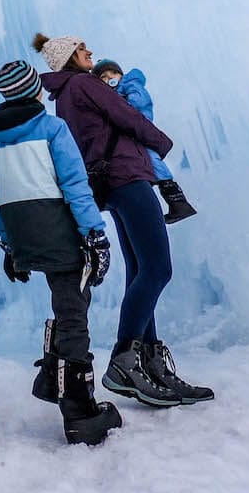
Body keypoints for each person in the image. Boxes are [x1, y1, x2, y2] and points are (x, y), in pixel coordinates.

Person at [33, 36, 214, 407]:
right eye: (83, 49)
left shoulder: (65, 94)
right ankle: (125, 359)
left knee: (139, 269)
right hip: (126, 177)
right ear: (69, 57)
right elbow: (126, 115)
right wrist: (161, 142)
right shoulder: (85, 83)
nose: (90, 53)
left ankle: (148, 364)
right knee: (158, 268)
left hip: (108, 182)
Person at [0, 61, 123, 445]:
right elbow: (75, 184)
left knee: (67, 304)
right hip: (62, 236)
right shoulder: (52, 129)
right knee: (74, 313)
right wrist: (95, 234)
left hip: (27, 240)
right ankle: (79, 411)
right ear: (34, 91)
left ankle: (52, 379)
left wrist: (9, 246)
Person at [92, 59, 198, 224]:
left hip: (140, 132)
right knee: (147, 162)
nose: (109, 78)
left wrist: (121, 104)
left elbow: (137, 105)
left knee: (151, 160)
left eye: (113, 73)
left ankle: (178, 201)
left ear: (121, 74)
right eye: (103, 77)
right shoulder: (117, 92)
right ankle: (175, 202)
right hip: (134, 134)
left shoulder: (131, 85)